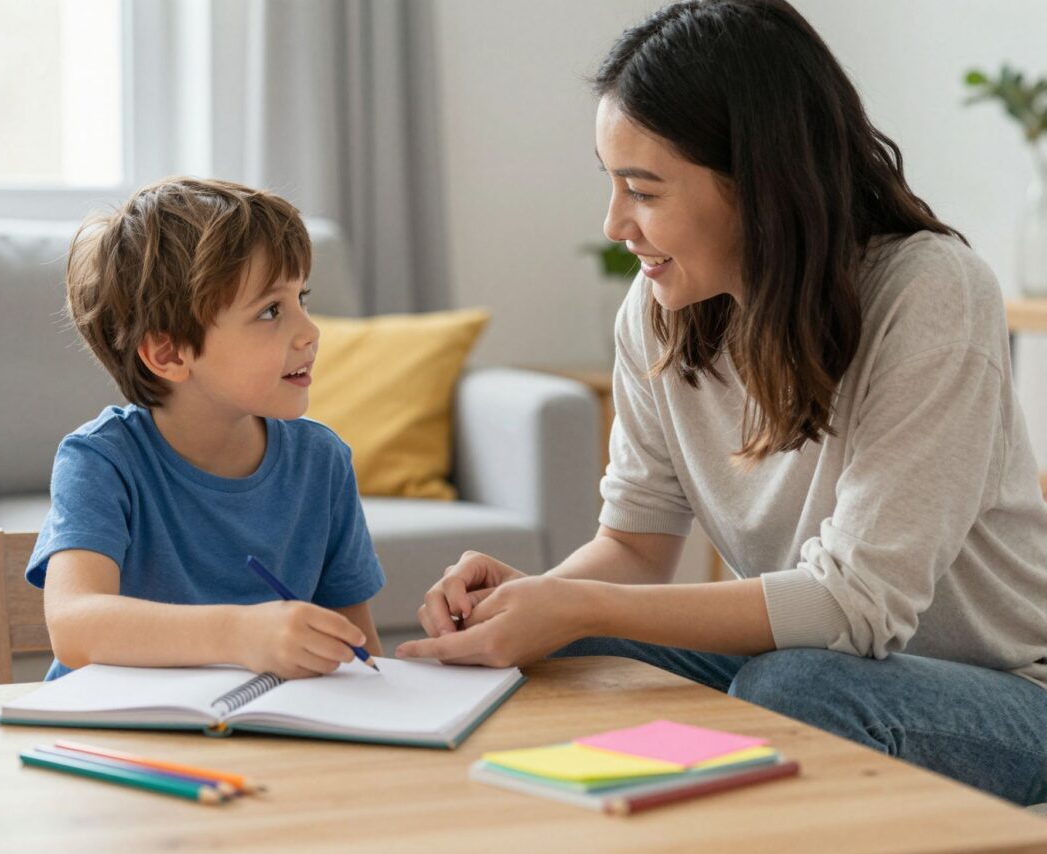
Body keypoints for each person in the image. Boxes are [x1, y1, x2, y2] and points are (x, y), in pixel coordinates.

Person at [396, 0, 1047, 804]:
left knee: (797, 692)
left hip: (1007, 694)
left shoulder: (930, 293)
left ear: (758, 182)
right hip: (824, 658)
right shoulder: (657, 311)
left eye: (643, 190)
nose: (614, 224)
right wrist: (532, 604)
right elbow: (635, 549)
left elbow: (858, 605)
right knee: (563, 646)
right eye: (612, 184)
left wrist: (571, 602)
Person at [28, 177, 384, 681]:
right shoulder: (102, 461)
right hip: (118, 740)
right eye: (270, 311)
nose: (309, 331)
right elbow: (74, 626)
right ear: (170, 353)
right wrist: (240, 634)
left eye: (301, 297)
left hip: (264, 740)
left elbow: (358, 653)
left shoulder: (321, 462)